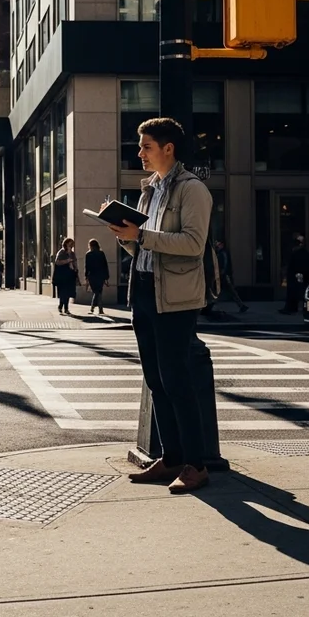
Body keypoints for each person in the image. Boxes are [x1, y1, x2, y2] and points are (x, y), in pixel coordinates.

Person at [104, 117, 213, 494]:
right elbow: (142, 245)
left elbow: (193, 244)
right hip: (146, 290)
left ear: (169, 149)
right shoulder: (149, 189)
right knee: (155, 380)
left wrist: (142, 235)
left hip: (177, 297)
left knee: (176, 379)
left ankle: (196, 465)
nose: (140, 153)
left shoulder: (192, 189)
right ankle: (171, 457)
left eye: (146, 146)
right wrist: (125, 237)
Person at [280, 234, 309, 315]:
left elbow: (296, 265)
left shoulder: (298, 253)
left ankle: (308, 309)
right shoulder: (303, 253)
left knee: (305, 293)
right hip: (305, 276)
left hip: (302, 276)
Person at [214, 240, 248, 313]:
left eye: (218, 244)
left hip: (223, 276)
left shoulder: (223, 253)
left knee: (224, 291)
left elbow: (224, 265)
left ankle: (241, 305)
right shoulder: (220, 253)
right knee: (229, 291)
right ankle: (241, 305)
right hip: (223, 276)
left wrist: (222, 273)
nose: (217, 245)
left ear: (222, 245)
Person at [52, 237, 78, 315]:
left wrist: (76, 269)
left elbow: (75, 262)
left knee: (68, 292)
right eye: (70, 244)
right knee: (63, 292)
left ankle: (66, 308)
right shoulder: (61, 252)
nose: (71, 246)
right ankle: (61, 305)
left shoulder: (72, 254)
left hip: (70, 275)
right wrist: (67, 261)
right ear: (66, 244)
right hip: (62, 275)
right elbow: (57, 262)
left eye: (72, 244)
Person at [84, 239, 109, 315]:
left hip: (92, 275)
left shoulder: (88, 254)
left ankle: (94, 308)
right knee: (98, 292)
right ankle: (99, 309)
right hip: (100, 275)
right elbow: (105, 265)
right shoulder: (101, 253)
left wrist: (86, 276)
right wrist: (106, 277)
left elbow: (87, 266)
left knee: (96, 292)